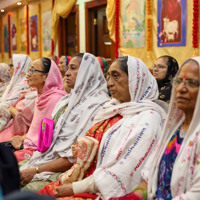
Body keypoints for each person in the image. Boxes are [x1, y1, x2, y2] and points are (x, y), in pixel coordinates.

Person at [38, 56, 167, 200]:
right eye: (108, 77)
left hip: (102, 190)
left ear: (134, 80)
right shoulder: (112, 109)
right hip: (84, 179)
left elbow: (122, 172)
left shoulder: (148, 119)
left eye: (116, 77)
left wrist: (74, 187)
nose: (110, 83)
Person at [19, 53, 110, 191]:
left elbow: (76, 157)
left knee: (23, 192)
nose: (66, 73)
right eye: (67, 68)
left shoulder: (98, 105)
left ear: (88, 72)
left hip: (67, 171)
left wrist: (36, 170)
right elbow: (49, 141)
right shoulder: (65, 101)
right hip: (44, 158)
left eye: (73, 68)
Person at [125, 57, 200, 200]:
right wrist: (133, 197)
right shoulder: (173, 132)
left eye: (191, 83)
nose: (182, 88)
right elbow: (148, 181)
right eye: (178, 81)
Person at [2, 57, 67, 162]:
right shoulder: (41, 96)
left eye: (32, 70)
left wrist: (23, 144)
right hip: (28, 143)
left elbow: (49, 138)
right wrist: (22, 138)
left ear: (46, 76)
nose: (28, 74)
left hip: (39, 151)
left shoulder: (55, 99)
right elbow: (34, 131)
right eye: (29, 70)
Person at [0, 54, 32, 132]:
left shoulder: (24, 85)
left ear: (20, 67)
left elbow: (5, 106)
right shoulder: (15, 83)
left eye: (12, 65)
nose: (8, 68)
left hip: (13, 127)